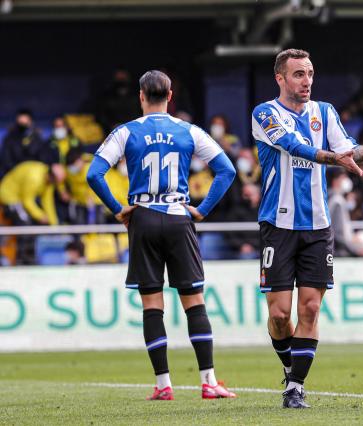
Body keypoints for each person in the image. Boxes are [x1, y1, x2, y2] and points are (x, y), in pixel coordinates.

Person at [252, 48, 363, 409]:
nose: (306, 81)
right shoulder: (265, 113)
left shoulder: (325, 112)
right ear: (280, 78)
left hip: (319, 226)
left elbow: (348, 150)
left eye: (309, 73)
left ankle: (295, 387)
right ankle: (292, 367)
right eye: (297, 75)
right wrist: (334, 158)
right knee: (279, 314)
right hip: (278, 223)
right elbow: (294, 146)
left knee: (308, 310)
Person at [87, 70, 238, 401]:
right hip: (177, 215)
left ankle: (163, 385)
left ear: (141, 96)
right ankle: (209, 382)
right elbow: (227, 170)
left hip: (142, 217)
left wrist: (117, 208)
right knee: (193, 302)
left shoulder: (125, 132)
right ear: (170, 96)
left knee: (152, 304)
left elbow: (94, 174)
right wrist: (203, 208)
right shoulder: (188, 131)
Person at [0, 109, 55, 180]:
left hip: (33, 175)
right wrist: (17, 171)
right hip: (14, 176)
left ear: (31, 121)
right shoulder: (9, 139)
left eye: (25, 120)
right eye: (21, 120)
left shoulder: (37, 138)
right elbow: (6, 159)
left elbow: (43, 158)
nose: (23, 123)